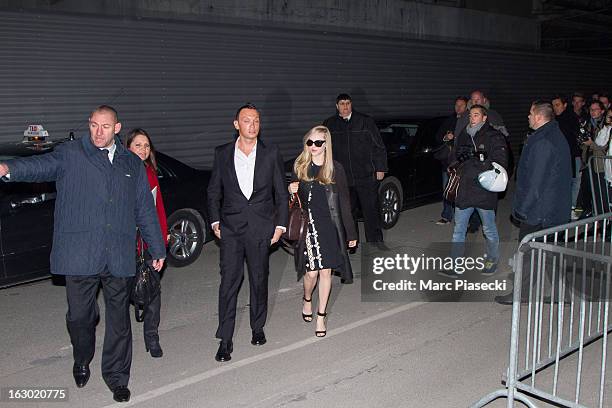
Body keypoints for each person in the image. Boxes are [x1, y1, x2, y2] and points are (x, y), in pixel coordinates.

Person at [0, 105, 165, 403]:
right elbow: (41, 165)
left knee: (119, 321)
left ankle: (117, 377)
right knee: (80, 318)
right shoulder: (72, 154)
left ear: (117, 128)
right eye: (93, 125)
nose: (98, 132)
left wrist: (157, 247)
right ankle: (81, 357)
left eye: (104, 127)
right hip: (80, 253)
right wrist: (8, 168)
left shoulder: (131, 163)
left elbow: (144, 209)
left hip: (118, 253)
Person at [207, 103, 288, 362]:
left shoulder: (271, 153)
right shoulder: (222, 153)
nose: (252, 126)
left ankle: (257, 327)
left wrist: (280, 225)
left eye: (256, 121)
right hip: (230, 229)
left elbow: (281, 194)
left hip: (261, 227)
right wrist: (215, 221)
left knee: (258, 279)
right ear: (236, 124)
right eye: (246, 121)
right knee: (229, 283)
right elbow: (213, 192)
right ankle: (225, 338)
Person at [495, 102, 572, 304]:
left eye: (530, 113)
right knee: (551, 252)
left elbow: (536, 182)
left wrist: (521, 210)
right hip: (552, 209)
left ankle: (522, 294)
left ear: (538, 117)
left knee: (527, 253)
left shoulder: (543, 141)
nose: (528, 117)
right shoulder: (553, 135)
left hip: (540, 211)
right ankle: (560, 294)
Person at [288, 126, 358, 337]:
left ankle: (321, 317)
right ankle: (307, 298)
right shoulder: (300, 166)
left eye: (318, 143)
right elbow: (294, 203)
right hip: (308, 226)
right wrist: (291, 191)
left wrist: (351, 232)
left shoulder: (335, 169)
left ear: (326, 144)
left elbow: (344, 202)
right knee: (311, 273)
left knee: (326, 271)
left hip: (329, 226)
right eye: (310, 142)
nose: (314, 147)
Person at [440, 105, 508, 278]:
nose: (472, 118)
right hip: (464, 190)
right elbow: (453, 158)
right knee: (458, 229)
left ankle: (491, 260)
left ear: (484, 118)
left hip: (484, 190)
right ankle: (455, 265)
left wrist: (479, 157)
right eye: (470, 115)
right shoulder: (463, 134)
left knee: (489, 229)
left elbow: (501, 162)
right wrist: (455, 160)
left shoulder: (494, 135)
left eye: (476, 115)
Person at [126, 128, 168, 358]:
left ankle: (152, 337)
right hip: (124, 245)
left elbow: (158, 209)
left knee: (152, 292)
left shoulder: (151, 173)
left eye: (146, 146)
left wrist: (161, 242)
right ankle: (122, 344)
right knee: (123, 295)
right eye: (138, 145)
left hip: (148, 244)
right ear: (127, 148)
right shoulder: (119, 173)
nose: (143, 150)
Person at [323, 93, 388, 244]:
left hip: (365, 175)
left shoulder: (365, 121)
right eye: (342, 104)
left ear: (351, 104)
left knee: (370, 211)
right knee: (347, 212)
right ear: (337, 106)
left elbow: (378, 146)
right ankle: (352, 242)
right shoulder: (329, 124)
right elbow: (323, 149)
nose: (345, 107)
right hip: (343, 178)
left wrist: (380, 168)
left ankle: (375, 242)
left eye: (347, 103)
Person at [434, 96, 468, 225]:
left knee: (462, 191)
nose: (458, 108)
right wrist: (446, 137)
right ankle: (447, 215)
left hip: (462, 162)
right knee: (447, 189)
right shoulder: (450, 120)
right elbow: (438, 136)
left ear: (466, 107)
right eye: (456, 105)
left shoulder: (468, 120)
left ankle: (462, 218)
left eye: (461, 105)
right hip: (448, 163)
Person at [575, 100, 606, 217]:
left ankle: (601, 218)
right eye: (591, 110)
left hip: (600, 164)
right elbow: (583, 143)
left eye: (595, 109)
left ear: (602, 111)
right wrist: (582, 142)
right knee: (586, 189)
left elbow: (604, 147)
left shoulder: (605, 126)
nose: (592, 112)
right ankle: (586, 212)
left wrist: (591, 144)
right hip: (587, 162)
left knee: (600, 193)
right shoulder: (587, 124)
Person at [551, 95, 581, 208]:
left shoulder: (571, 118)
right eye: (553, 105)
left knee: (575, 181)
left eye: (557, 105)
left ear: (565, 105)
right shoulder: (554, 120)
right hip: (561, 157)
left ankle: (572, 206)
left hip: (573, 155)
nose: (555, 107)